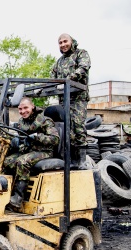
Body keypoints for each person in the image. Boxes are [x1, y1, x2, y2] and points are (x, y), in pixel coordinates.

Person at [2, 97, 59, 210]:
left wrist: (37, 137)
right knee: (7, 161)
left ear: (32, 106)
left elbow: (55, 139)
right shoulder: (21, 121)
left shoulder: (44, 120)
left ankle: (18, 198)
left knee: (22, 162)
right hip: (28, 151)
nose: (23, 111)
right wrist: (15, 139)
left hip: (44, 152)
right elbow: (18, 134)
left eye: (25, 108)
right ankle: (7, 193)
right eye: (20, 109)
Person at [51, 33, 91, 170]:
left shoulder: (81, 54)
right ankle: (71, 160)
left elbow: (83, 69)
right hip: (64, 99)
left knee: (78, 127)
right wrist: (46, 87)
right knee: (67, 130)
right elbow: (52, 78)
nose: (63, 45)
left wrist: (67, 80)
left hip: (78, 97)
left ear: (71, 41)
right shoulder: (59, 62)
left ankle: (81, 161)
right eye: (60, 43)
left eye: (65, 41)